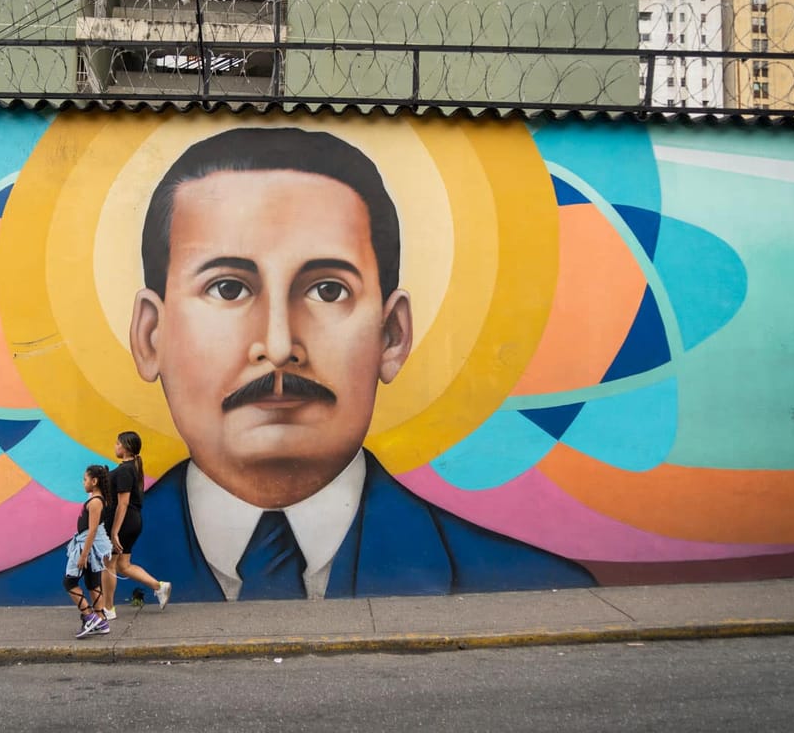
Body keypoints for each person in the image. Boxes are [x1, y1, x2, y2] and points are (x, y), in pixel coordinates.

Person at [124, 126, 595, 601]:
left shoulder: (544, 590)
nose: (280, 344)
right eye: (228, 288)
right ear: (150, 336)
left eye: (328, 290)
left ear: (391, 335)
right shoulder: (69, 581)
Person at [101, 431, 171, 619]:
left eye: (117, 443)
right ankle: (159, 587)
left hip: (123, 522)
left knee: (108, 565)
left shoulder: (125, 470)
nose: (115, 446)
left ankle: (107, 609)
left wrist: (114, 531)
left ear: (125, 447)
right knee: (123, 565)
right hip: (132, 521)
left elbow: (122, 503)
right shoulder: (130, 468)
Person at [65, 464, 114, 638]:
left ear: (94, 481)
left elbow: (92, 530)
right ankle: (101, 620)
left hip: (86, 548)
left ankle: (89, 616)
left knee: (69, 582)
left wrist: (84, 555)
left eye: (85, 479)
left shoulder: (95, 502)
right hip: (88, 546)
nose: (83, 482)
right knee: (93, 584)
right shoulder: (97, 499)